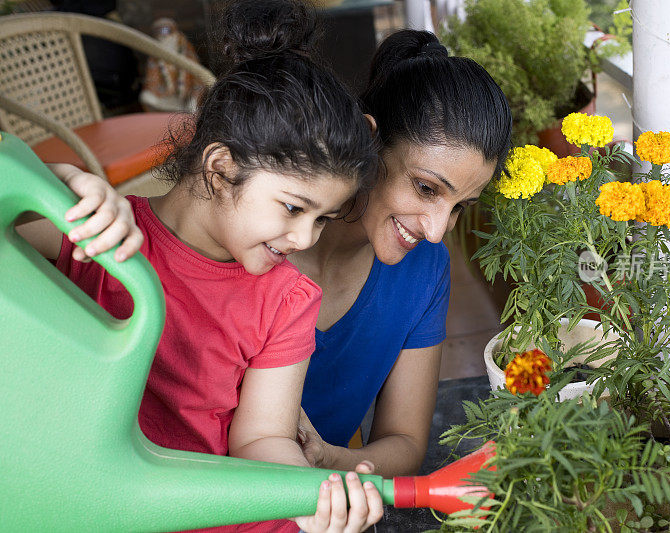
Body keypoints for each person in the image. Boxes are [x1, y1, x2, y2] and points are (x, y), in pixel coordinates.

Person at [17, 0, 384, 531]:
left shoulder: (286, 300)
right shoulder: (104, 233)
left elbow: (260, 440)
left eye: (322, 218)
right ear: (220, 168)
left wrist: (308, 497)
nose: (304, 237)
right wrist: (60, 184)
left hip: (212, 513)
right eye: (293, 207)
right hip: (87, 503)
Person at [293, 30, 513, 477]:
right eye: (426, 188)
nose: (436, 231)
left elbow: (406, 444)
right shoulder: (260, 242)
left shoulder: (424, 270)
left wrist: (329, 460)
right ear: (369, 142)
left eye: (460, 208)